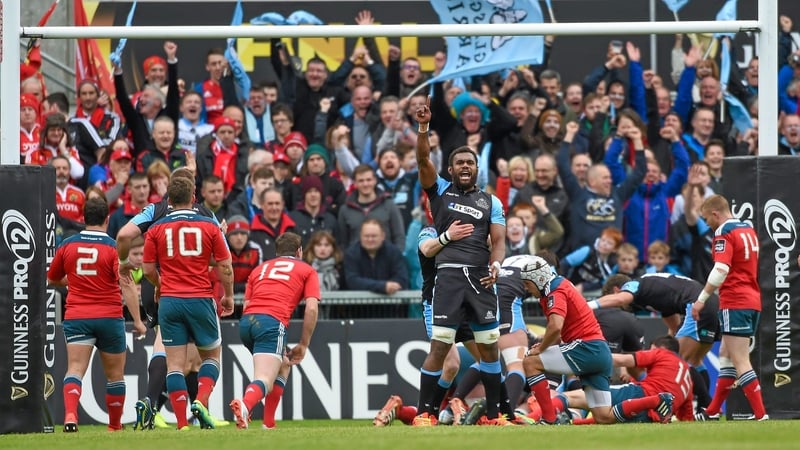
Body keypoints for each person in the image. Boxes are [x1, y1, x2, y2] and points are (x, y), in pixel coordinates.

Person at [413, 97, 507, 426]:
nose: (465, 166)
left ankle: (496, 416)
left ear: (476, 168)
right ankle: (424, 414)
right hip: (449, 279)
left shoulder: (490, 201)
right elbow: (423, 158)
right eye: (460, 163)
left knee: (490, 349)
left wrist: (497, 266)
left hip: (481, 279)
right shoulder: (439, 190)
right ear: (450, 169)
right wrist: (423, 128)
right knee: (440, 348)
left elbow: (498, 241)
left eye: (471, 162)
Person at [519, 255, 674, 425]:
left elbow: (556, 327)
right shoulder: (560, 284)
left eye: (528, 284)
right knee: (603, 416)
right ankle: (657, 401)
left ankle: (548, 419)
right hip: (600, 352)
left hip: (586, 348)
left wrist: (541, 348)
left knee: (530, 362)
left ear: (539, 279)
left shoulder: (555, 292)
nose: (527, 289)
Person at [142, 176, 235, 430]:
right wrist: (228, 295)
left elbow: (147, 268)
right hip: (200, 298)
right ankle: (202, 403)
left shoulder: (156, 228)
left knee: (174, 365)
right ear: (194, 198)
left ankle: (182, 423)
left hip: (170, 301)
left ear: (169, 200)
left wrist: (161, 284)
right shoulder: (209, 225)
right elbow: (225, 265)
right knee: (212, 358)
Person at [47, 198, 146, 432]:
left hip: (78, 315)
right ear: (107, 219)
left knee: (75, 369)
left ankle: (71, 415)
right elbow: (128, 285)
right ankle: (114, 425)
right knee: (115, 376)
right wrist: (139, 321)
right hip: (109, 317)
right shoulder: (114, 248)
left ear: (83, 218)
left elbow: (52, 279)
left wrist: (73, 282)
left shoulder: (68, 245)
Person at [229, 232, 320, 429]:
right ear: (299, 251)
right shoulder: (307, 270)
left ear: (276, 253)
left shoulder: (259, 269)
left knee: (284, 363)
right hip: (272, 322)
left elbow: (247, 305)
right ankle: (245, 405)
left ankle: (268, 423)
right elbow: (311, 308)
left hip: (247, 322)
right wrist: (304, 344)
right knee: (265, 379)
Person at [692, 195, 768, 421]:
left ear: (715, 214)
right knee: (725, 354)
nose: (707, 224)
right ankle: (713, 411)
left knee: (740, 360)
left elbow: (721, 270)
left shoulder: (724, 232)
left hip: (735, 300)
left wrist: (702, 298)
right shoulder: (748, 229)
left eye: (706, 219)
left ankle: (760, 414)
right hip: (752, 299)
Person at [564, 335, 692, 424]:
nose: (649, 352)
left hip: (640, 395)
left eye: (651, 349)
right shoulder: (688, 379)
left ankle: (551, 407)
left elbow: (620, 360)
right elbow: (687, 418)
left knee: (573, 397)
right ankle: (569, 418)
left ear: (662, 348)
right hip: (651, 418)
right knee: (603, 416)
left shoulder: (661, 354)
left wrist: (580, 360)